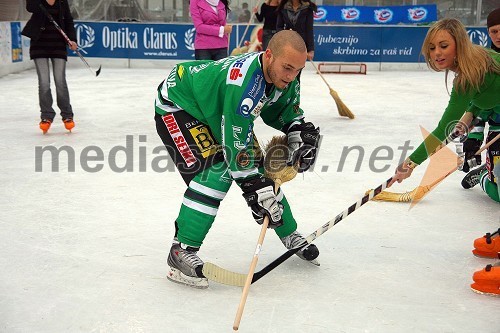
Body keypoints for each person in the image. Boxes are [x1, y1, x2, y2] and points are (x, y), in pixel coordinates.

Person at [154, 30, 321, 289]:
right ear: (268, 56)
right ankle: (181, 251)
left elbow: (285, 111)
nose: (291, 77)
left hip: (216, 109)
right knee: (218, 171)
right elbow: (235, 150)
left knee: (259, 175)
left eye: (297, 70)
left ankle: (289, 233)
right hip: (180, 104)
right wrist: (252, 189)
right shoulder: (244, 83)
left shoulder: (286, 75)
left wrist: (299, 132)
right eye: (287, 68)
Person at [388, 18, 500, 296]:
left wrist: (410, 164)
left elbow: (441, 132)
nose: (436, 53)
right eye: (432, 47)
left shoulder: (477, 69)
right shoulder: (474, 68)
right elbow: (480, 98)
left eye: (443, 46)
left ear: (459, 44)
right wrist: (467, 119)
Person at [461, 7, 500, 297]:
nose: (498, 35)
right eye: (494, 31)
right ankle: (486, 178)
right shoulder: (488, 63)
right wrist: (473, 136)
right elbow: (478, 104)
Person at [22, 0, 78, 134]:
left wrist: (72, 39)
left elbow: (69, 21)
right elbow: (30, 7)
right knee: (44, 82)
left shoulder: (62, 1)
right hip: (39, 45)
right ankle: (46, 116)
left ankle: (67, 114)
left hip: (58, 45)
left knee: (60, 81)